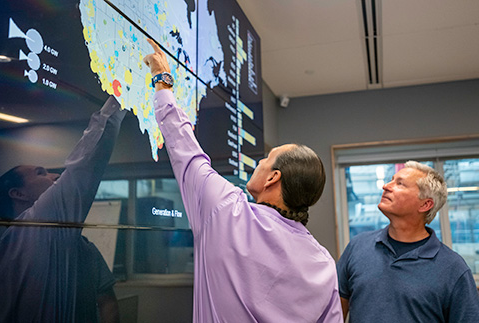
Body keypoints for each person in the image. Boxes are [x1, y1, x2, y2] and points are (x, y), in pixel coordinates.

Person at [143, 39, 342, 322]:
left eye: (266, 158)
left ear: (273, 178)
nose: (258, 162)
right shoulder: (323, 263)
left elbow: (185, 150)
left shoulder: (227, 211)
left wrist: (162, 80)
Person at [0, 96, 125, 322]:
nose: (54, 176)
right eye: (41, 173)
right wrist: (120, 97)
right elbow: (86, 164)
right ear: (18, 194)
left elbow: (107, 302)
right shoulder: (35, 225)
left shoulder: (82, 247)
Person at [337, 161, 479, 322]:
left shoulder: (453, 268)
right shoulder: (357, 247)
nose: (386, 186)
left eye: (400, 184)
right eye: (391, 180)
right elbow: (335, 312)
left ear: (425, 204)